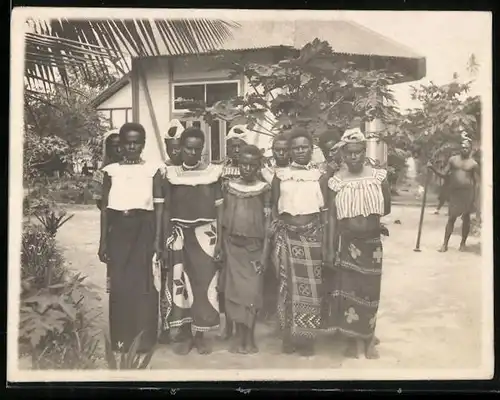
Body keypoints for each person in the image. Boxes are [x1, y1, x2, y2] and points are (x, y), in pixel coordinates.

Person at [97, 122, 164, 353]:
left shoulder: (153, 170)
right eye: (128, 142)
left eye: (137, 142)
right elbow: (105, 209)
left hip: (144, 228)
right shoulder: (111, 171)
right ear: (121, 145)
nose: (132, 146)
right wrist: (103, 241)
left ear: (143, 145)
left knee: (143, 284)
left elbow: (159, 208)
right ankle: (121, 339)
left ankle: (144, 340)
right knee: (120, 284)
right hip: (119, 229)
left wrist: (157, 239)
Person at [325, 127, 391, 360]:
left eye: (358, 152)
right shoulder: (336, 181)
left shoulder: (378, 176)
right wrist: (331, 248)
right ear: (343, 154)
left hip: (372, 244)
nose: (353, 157)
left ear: (364, 152)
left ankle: (368, 338)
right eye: (349, 153)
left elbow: (387, 207)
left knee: (371, 292)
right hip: (348, 243)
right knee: (350, 293)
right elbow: (332, 217)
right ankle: (353, 342)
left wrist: (372, 221)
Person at [162, 127, 224, 355]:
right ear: (181, 147)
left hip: (205, 235)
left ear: (202, 149)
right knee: (181, 283)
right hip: (179, 234)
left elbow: (220, 207)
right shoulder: (170, 173)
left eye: (198, 149)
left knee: (204, 283)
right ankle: (185, 334)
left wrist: (219, 243)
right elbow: (167, 207)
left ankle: (201, 335)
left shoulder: (213, 173)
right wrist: (166, 236)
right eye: (189, 148)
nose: (192, 153)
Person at [270, 128, 327, 356]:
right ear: (290, 151)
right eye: (296, 147)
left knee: (310, 290)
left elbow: (325, 212)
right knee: (287, 288)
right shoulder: (280, 175)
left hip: (311, 237)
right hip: (286, 236)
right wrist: (277, 233)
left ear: (311, 150)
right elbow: (274, 208)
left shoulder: (319, 176)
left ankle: (307, 338)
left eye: (304, 147)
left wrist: (325, 241)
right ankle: (288, 337)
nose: (300, 151)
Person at [222, 144, 271, 354]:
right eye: (244, 164)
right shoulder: (229, 187)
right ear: (238, 164)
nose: (247, 169)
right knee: (235, 296)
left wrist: (265, 254)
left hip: (255, 249)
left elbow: (268, 225)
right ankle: (239, 336)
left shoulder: (264, 189)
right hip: (233, 248)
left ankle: (250, 337)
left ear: (258, 166)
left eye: (252, 165)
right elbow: (224, 222)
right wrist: (222, 248)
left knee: (252, 295)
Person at [217, 125, 251, 340]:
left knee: (246, 281)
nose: (236, 150)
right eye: (232, 146)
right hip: (227, 228)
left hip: (248, 230)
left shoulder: (256, 168)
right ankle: (228, 324)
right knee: (226, 281)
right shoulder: (219, 170)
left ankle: (244, 325)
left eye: (241, 146)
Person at [427, 134, 479, 252]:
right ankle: (445, 244)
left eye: (466, 147)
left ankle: (463, 244)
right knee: (451, 218)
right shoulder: (453, 160)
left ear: (470, 149)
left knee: (466, 218)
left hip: (468, 194)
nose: (464, 149)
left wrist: (475, 199)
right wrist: (433, 168)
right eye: (462, 147)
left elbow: (476, 182)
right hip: (455, 193)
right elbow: (445, 175)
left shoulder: (473, 164)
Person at [90, 129, 122, 295]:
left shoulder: (134, 169)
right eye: (112, 146)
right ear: (107, 149)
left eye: (119, 145)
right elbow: (101, 205)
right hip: (113, 226)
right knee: (116, 268)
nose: (117, 150)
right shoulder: (101, 174)